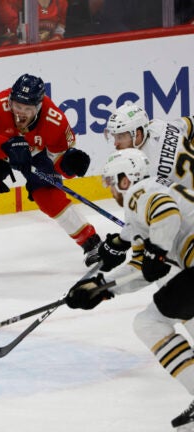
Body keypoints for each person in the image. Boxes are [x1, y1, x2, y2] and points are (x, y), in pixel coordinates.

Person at [64, 148, 194, 430]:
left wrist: (157, 252)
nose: (110, 189)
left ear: (126, 179)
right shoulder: (149, 199)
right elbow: (139, 267)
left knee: (150, 323)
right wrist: (100, 288)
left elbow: (165, 212)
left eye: (111, 182)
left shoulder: (142, 191)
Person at [0, 73, 98, 273]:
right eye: (17, 106)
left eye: (27, 109)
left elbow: (58, 160)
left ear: (38, 107)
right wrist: (5, 145)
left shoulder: (55, 121)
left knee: (48, 196)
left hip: (34, 154)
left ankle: (91, 242)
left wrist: (69, 165)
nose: (20, 113)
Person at [91, 103, 194, 272]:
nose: (115, 144)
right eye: (114, 136)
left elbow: (144, 215)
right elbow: (189, 125)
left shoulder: (147, 167)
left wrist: (120, 242)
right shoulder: (159, 125)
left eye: (121, 136)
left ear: (138, 134)